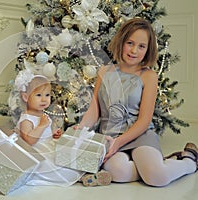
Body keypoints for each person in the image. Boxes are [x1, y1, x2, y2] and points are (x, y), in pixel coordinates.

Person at [76, 18, 197, 187]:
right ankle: (157, 165)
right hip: (111, 136)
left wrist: (119, 143)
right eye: (130, 43)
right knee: (117, 172)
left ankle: (189, 161)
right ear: (121, 42)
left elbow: (144, 120)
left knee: (157, 178)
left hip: (140, 135)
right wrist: (81, 128)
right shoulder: (105, 71)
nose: (134, 50)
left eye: (141, 46)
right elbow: (94, 109)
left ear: (148, 50)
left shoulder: (148, 76)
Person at [14, 69, 111, 187]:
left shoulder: (42, 115)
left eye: (47, 95)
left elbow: (45, 134)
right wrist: (41, 126)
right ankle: (82, 177)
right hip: (38, 153)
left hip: (48, 146)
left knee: (67, 158)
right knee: (58, 166)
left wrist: (53, 133)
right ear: (25, 97)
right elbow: (29, 140)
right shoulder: (26, 119)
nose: (44, 99)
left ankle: (87, 175)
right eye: (39, 95)